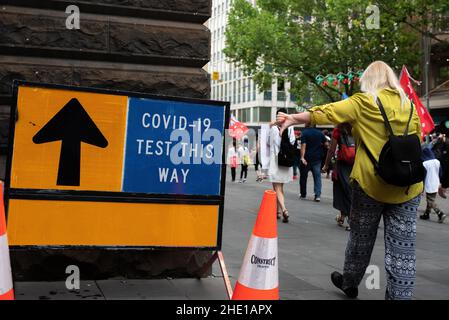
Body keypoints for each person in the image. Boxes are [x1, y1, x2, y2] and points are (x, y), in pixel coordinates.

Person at [277, 61, 423, 300]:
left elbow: (328, 111)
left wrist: (293, 118)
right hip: (408, 185)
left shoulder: (364, 102)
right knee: (402, 251)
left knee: (361, 239)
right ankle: (400, 296)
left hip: (371, 185)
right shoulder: (409, 104)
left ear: (369, 80)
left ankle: (350, 282)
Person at [322, 123, 355, 231]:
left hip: (343, 164)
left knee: (343, 190)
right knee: (350, 190)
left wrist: (326, 165)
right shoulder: (358, 125)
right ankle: (342, 217)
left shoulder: (338, 130)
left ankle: (351, 220)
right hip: (357, 163)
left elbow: (331, 150)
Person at [268, 108, 296, 223]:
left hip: (276, 160)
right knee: (280, 188)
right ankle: (277, 212)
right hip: (287, 160)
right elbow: (293, 142)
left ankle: (284, 210)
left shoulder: (274, 128)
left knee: (276, 187)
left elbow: (269, 143)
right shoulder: (291, 128)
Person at [299, 124, 327, 202]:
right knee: (317, 177)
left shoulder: (304, 133)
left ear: (308, 124)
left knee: (303, 177)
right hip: (317, 158)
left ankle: (303, 194)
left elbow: (303, 146)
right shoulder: (320, 133)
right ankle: (317, 195)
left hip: (307, 159)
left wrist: (302, 157)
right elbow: (326, 144)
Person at [420, 147, 446, 223]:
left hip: (429, 183)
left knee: (430, 200)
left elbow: (423, 176)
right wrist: (441, 182)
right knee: (430, 199)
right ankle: (426, 214)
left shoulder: (424, 163)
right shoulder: (437, 161)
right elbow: (440, 172)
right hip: (437, 182)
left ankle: (440, 213)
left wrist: (422, 187)